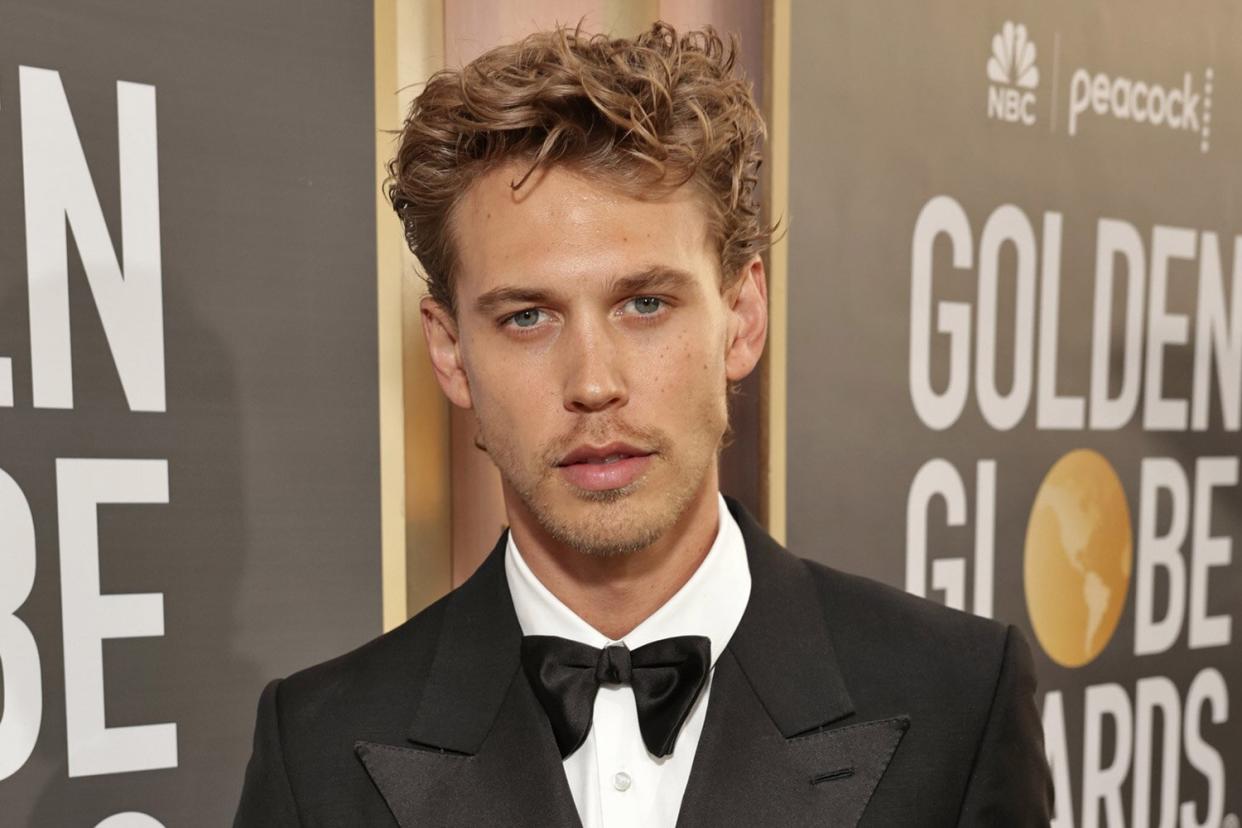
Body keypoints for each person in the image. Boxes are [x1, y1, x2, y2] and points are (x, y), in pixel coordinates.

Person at [234, 22, 1053, 827]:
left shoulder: (957, 699)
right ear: (451, 354)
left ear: (742, 316)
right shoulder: (316, 751)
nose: (593, 383)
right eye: (527, 317)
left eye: (646, 304)